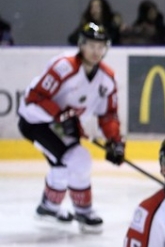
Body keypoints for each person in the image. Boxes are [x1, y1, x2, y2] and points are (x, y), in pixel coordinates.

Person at [17, 23, 125, 233]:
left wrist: (115, 142)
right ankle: (83, 210)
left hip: (63, 123)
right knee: (78, 159)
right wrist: (58, 114)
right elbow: (34, 98)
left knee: (64, 163)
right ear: (81, 45)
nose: (96, 51)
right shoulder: (63, 67)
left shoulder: (107, 78)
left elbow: (108, 114)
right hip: (36, 121)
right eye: (91, 45)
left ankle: (49, 207)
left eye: (100, 46)